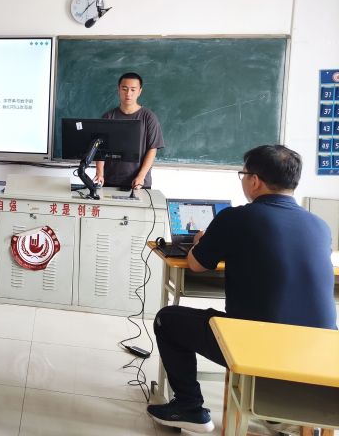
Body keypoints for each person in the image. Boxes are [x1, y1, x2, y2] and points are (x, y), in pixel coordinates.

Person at [147, 145, 336, 433]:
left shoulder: (235, 218)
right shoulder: (320, 226)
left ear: (255, 180)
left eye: (243, 174)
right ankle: (281, 415)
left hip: (256, 348)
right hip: (318, 353)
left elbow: (196, 265)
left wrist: (201, 242)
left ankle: (189, 407)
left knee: (168, 319)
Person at [94, 72, 164, 189]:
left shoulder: (148, 117)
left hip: (138, 183)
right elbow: (100, 149)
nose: (128, 94)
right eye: (124, 89)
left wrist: (141, 176)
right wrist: (99, 173)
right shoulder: (108, 117)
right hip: (110, 180)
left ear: (139, 91)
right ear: (118, 90)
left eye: (133, 89)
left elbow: (152, 149)